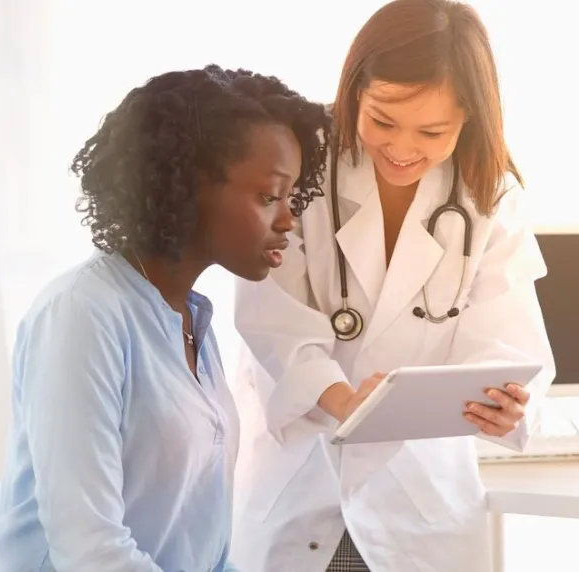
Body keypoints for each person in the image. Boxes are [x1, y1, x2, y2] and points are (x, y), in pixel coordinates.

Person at [229, 1, 555, 570]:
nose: (403, 149)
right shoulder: (299, 164)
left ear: (470, 119)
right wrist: (345, 401)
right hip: (303, 484)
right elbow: (270, 318)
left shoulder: (488, 196)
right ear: (355, 89)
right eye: (382, 120)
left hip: (420, 504)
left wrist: (506, 405)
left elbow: (507, 343)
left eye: (433, 131)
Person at [0, 65, 332, 571]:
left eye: (291, 197)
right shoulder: (81, 316)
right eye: (269, 196)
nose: (288, 219)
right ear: (188, 186)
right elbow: (90, 550)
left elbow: (205, 547)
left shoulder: (192, 321)